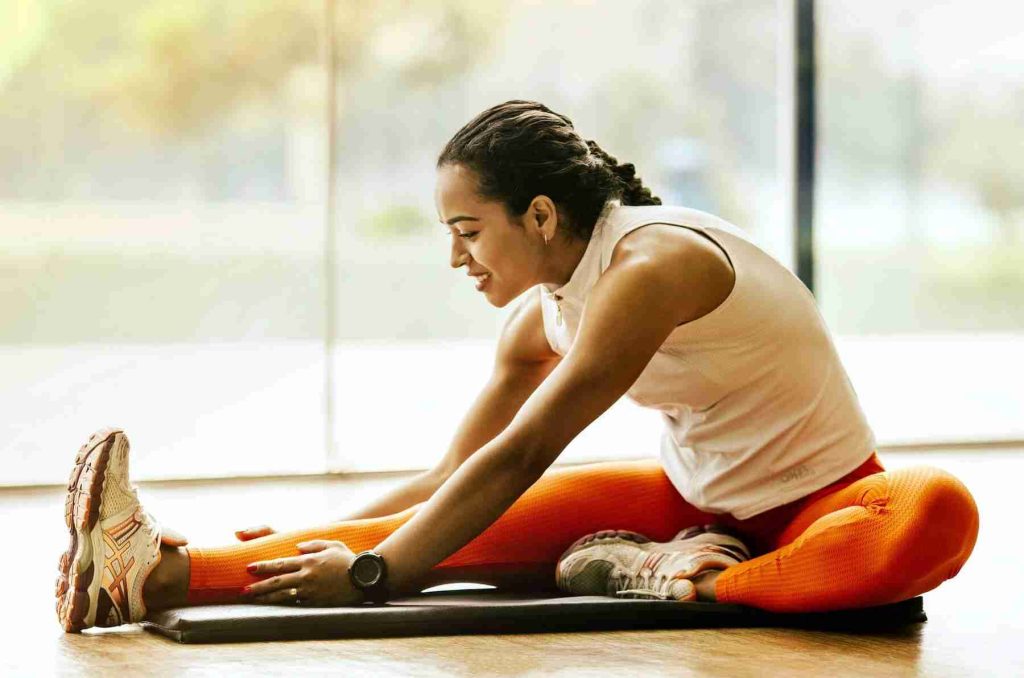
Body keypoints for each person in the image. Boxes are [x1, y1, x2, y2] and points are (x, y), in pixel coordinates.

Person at [56, 100, 979, 632]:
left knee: (938, 511)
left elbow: (527, 450)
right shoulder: (542, 315)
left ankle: (681, 579)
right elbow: (453, 479)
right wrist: (312, 538)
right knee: (437, 524)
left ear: (539, 216)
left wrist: (380, 575)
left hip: (827, 504)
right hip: (693, 506)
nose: (458, 258)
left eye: (468, 231)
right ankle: (141, 575)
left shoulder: (653, 269)